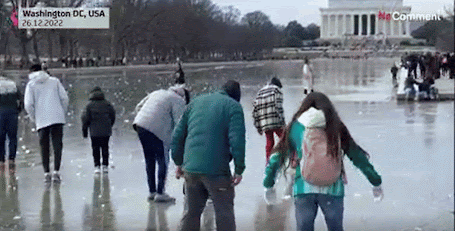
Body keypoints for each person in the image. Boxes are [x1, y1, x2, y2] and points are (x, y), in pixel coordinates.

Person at [263, 92, 383, 231]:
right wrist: (375, 181)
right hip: (333, 189)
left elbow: (277, 157)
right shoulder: (336, 126)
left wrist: (268, 185)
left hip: (303, 188)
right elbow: (357, 157)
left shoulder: (297, 127)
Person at [171, 80, 245, 231]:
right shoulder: (233, 107)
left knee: (191, 214)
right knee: (224, 214)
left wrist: (179, 163)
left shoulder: (195, 103)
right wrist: (239, 169)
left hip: (191, 169)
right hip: (217, 171)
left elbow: (177, 136)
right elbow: (237, 140)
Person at [133, 83, 188, 202]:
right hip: (156, 130)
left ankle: (152, 191)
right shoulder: (178, 100)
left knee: (149, 159)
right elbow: (180, 123)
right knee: (163, 159)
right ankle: (160, 192)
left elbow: (138, 107)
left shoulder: (157, 93)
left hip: (140, 125)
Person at [24, 64, 69, 183]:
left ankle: (46, 173)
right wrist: (61, 112)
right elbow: (64, 98)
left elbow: (28, 105)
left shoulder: (31, 85)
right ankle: (56, 172)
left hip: (41, 119)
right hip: (57, 117)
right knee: (57, 145)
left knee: (44, 146)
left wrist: (34, 118)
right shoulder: (54, 81)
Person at [81, 86, 116, 174]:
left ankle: (97, 166)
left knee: (95, 148)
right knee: (105, 147)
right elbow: (113, 116)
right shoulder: (107, 104)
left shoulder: (89, 105)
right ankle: (105, 165)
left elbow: (85, 119)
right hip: (105, 130)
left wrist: (85, 132)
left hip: (94, 131)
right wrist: (109, 125)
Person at [253, 77, 285, 164]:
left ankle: (268, 161)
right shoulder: (276, 90)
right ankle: (289, 158)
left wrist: (258, 126)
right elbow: (278, 107)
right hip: (275, 119)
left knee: (269, 141)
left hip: (264, 121)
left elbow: (255, 110)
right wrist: (283, 123)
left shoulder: (260, 92)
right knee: (284, 138)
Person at [0, 76, 22, 168]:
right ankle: (11, 159)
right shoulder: (13, 85)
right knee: (12, 137)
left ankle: (1, 160)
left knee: (1, 138)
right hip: (13, 113)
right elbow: (21, 100)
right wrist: (18, 110)